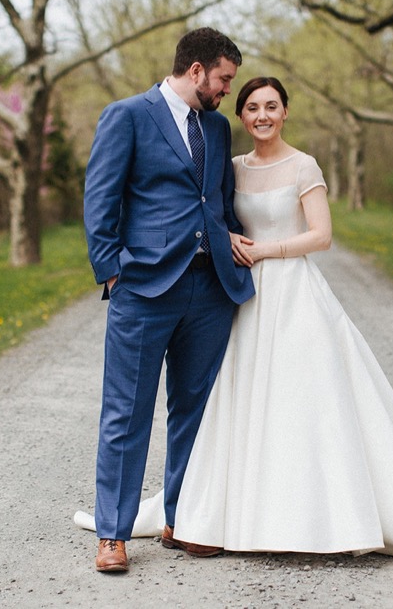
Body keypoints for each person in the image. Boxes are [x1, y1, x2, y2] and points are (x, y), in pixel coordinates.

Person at [81, 28, 255, 572]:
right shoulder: (128, 115)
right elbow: (100, 196)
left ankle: (182, 518)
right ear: (198, 70)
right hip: (144, 290)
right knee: (126, 414)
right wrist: (113, 273)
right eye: (225, 79)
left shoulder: (219, 128)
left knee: (195, 411)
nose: (228, 90)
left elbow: (218, 200)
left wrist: (232, 239)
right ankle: (113, 533)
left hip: (209, 291)